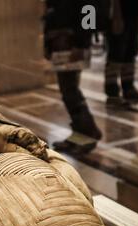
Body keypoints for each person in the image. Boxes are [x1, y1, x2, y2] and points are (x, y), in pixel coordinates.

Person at [43, 0, 107, 153]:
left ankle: (88, 132)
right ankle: (80, 134)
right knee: (68, 90)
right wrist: (47, 44)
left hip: (72, 43)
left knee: (70, 90)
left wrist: (82, 43)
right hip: (61, 42)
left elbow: (90, 8)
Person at [105, 0, 138, 107]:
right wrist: (116, 16)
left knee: (130, 52)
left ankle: (128, 88)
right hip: (119, 15)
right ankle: (112, 93)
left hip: (133, 14)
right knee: (116, 53)